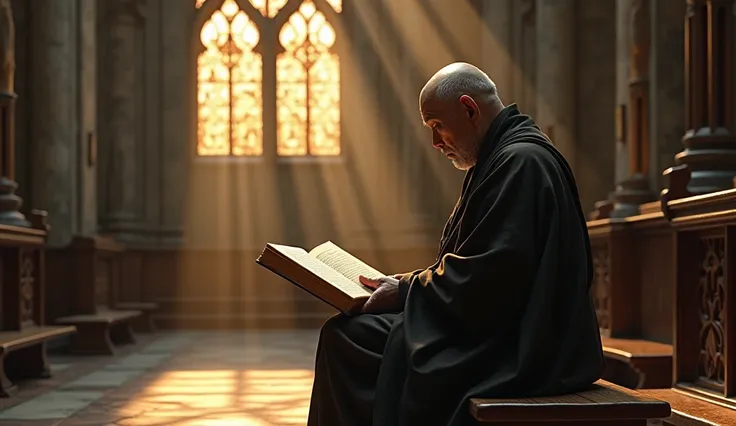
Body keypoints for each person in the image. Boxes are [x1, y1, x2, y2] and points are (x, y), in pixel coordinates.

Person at [307, 62, 604, 426]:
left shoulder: (521, 162)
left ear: (469, 109)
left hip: (525, 348)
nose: (435, 143)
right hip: (508, 330)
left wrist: (405, 292)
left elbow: (492, 278)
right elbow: (479, 265)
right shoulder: (501, 159)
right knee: (354, 334)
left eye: (437, 126)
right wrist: (404, 284)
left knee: (349, 339)